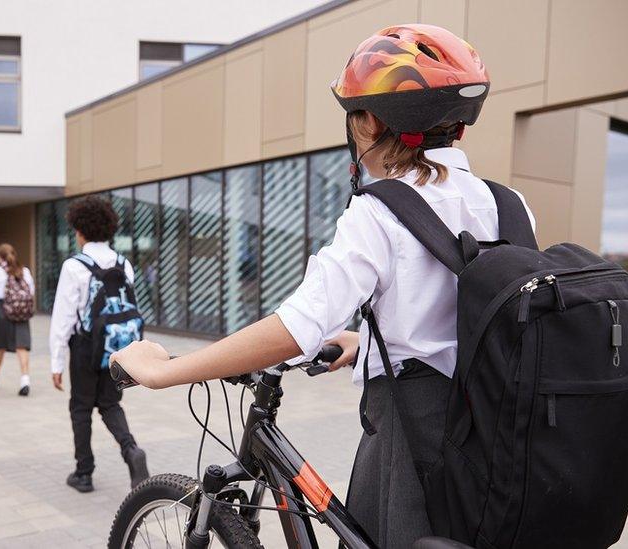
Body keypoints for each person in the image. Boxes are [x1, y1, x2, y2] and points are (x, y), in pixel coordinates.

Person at [110, 24, 535, 548]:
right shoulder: (511, 205)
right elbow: (475, 316)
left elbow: (297, 327)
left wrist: (165, 372)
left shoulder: (379, 212)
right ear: (458, 128)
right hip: (500, 443)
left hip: (416, 446)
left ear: (370, 122)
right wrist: (372, 348)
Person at [49, 196, 148, 494]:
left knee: (81, 408)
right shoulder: (124, 263)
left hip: (85, 348)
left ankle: (84, 472)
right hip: (117, 349)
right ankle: (131, 451)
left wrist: (56, 362)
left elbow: (63, 318)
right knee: (110, 404)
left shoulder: (74, 266)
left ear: (79, 230)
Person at [0, 243, 35, 396]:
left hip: (3, 311)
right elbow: (32, 291)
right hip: (22, 312)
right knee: (22, 347)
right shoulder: (24, 270)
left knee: (0, 346)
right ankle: (25, 380)